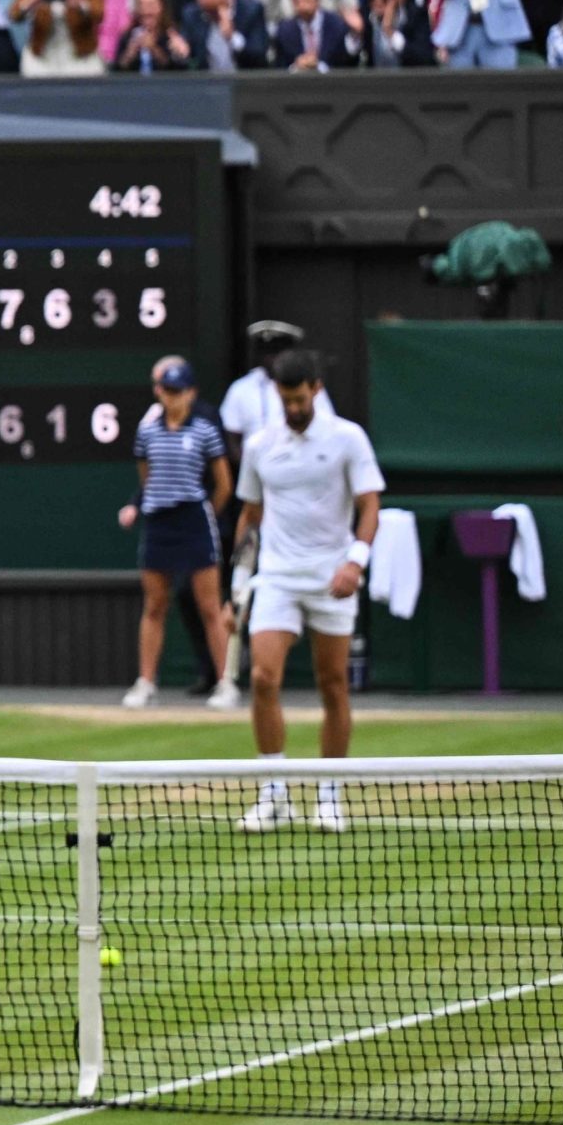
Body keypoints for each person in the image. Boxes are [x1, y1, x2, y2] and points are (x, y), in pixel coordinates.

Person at [233, 347, 384, 833]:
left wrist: (354, 563)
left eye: (300, 399)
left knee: (333, 684)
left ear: (316, 390)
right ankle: (273, 791)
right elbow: (251, 516)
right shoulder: (260, 445)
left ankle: (330, 794)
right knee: (261, 679)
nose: (294, 408)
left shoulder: (347, 439)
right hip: (276, 576)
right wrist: (237, 582)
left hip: (332, 577)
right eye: (286, 400)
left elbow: (369, 505)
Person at [118, 357, 237, 710]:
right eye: (166, 391)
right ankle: (146, 682)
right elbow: (146, 477)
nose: (171, 398)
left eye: (178, 391)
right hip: (159, 522)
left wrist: (204, 515)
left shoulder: (205, 431)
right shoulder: (147, 432)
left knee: (209, 607)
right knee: (154, 605)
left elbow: (223, 485)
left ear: (191, 393)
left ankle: (225, 682)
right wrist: (151, 503)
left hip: (194, 521)